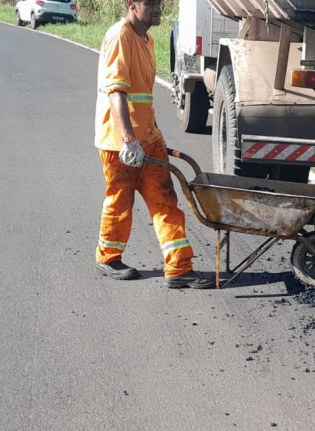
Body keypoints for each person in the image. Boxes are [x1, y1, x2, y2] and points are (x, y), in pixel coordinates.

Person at [93, 0, 212, 289]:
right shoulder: (119, 36)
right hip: (119, 142)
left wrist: (153, 134)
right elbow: (117, 93)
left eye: (160, 3)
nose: (158, 8)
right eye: (150, 3)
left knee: (165, 198)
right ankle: (108, 257)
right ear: (131, 4)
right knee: (121, 201)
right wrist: (129, 140)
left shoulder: (146, 38)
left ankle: (179, 268)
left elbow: (142, 96)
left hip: (148, 139)